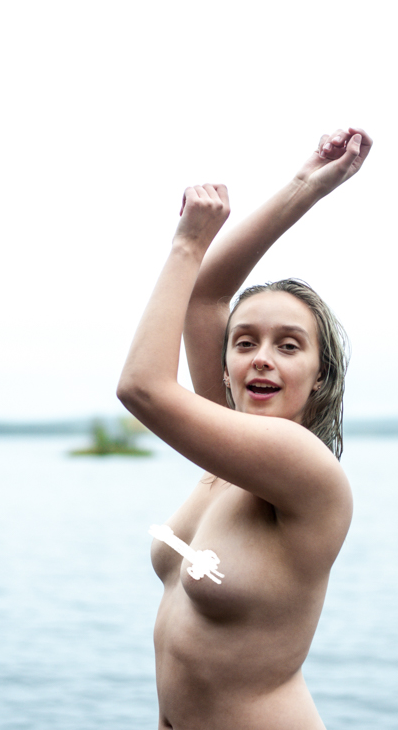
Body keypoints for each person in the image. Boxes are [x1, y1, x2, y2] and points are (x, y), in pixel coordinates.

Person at [117, 126, 373, 730]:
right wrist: (306, 185)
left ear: (319, 375)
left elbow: (141, 388)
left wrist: (188, 243)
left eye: (289, 346)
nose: (261, 358)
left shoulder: (301, 465)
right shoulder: (229, 454)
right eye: (245, 342)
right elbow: (205, 298)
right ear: (227, 364)